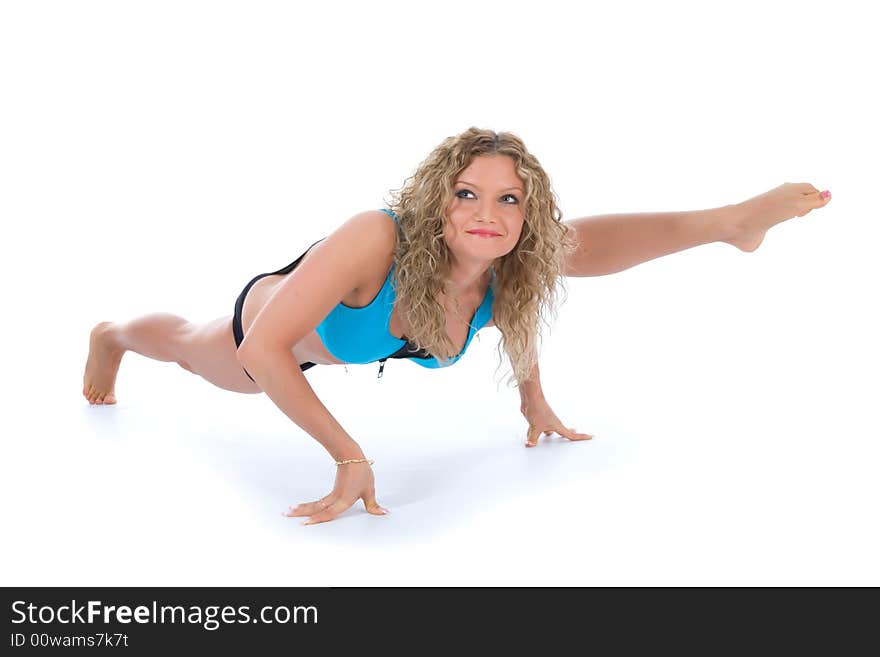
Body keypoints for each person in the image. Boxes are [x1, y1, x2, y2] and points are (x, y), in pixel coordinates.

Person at [82, 127, 832, 525]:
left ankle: (728, 224)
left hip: (338, 341)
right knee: (186, 346)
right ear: (437, 199)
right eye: (468, 194)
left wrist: (532, 397)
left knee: (558, 254)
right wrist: (347, 456)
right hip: (270, 332)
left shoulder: (508, 262)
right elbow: (263, 347)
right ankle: (112, 333)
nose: (486, 214)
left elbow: (521, 310)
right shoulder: (374, 237)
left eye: (510, 200)